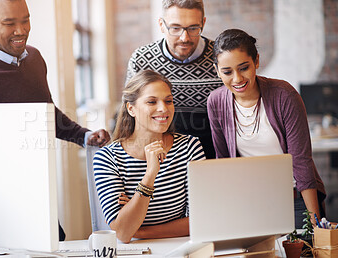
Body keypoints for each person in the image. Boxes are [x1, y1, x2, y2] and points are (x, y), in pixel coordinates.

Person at [0, 0, 110, 240]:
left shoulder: (35, 59)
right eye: (9, 23)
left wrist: (83, 136)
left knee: (57, 245)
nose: (21, 30)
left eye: (25, 20)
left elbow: (44, 112)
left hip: (39, 195)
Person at [207, 28, 326, 228]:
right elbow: (224, 162)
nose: (237, 79)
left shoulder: (284, 95)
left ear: (256, 61)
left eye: (244, 67)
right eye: (227, 71)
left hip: (294, 200)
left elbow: (301, 161)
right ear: (217, 70)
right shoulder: (216, 102)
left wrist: (315, 224)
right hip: (249, 203)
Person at [93, 70, 205, 243]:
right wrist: (150, 175)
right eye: (152, 101)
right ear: (131, 109)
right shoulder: (107, 158)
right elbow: (123, 233)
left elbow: (201, 221)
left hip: (179, 248)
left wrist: (139, 231)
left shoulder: (189, 147)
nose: (163, 108)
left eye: (168, 101)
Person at [125, 0, 223, 159]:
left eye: (193, 28)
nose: (184, 38)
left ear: (203, 23)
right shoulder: (141, 60)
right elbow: (129, 117)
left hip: (212, 158)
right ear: (161, 25)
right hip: (159, 159)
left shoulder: (221, 57)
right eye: (175, 28)